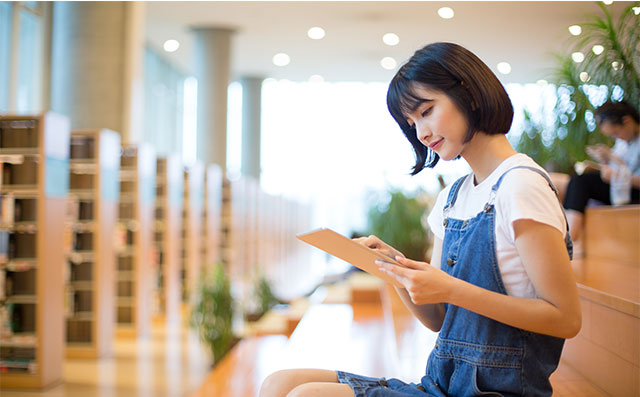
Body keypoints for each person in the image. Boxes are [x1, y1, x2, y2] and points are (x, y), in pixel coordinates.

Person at [259, 42, 581, 397]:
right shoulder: (452, 198)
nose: (421, 133)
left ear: (470, 95)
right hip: (440, 384)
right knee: (279, 383)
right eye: (412, 123)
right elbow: (440, 319)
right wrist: (394, 271)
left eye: (427, 111)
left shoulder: (520, 185)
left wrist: (452, 288)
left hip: (498, 391)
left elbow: (565, 318)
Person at [563, 100, 640, 244]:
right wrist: (605, 160)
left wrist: (617, 176)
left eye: (616, 133)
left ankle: (569, 238)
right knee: (577, 180)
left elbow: (624, 173)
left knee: (581, 182)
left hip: (633, 189)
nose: (617, 138)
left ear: (627, 121)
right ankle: (568, 234)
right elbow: (619, 167)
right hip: (621, 188)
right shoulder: (625, 142)